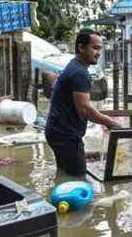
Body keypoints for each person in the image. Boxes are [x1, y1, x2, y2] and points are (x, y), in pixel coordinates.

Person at [45, 29, 121, 176]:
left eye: (100, 48)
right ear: (81, 47)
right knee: (78, 179)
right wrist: (110, 123)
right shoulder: (80, 73)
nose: (98, 52)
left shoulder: (75, 67)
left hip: (57, 132)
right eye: (95, 47)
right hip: (65, 135)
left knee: (64, 175)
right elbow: (85, 109)